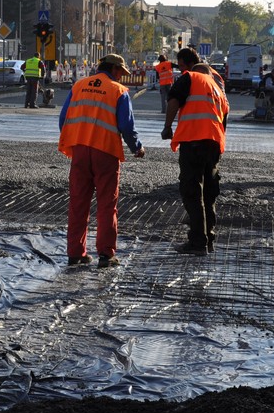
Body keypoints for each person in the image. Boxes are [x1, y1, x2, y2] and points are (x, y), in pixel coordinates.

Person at [58, 53, 145, 268]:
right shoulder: (118, 91)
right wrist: (137, 147)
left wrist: (76, 138)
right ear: (115, 70)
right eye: (120, 73)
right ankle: (106, 255)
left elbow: (63, 119)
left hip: (79, 150)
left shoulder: (78, 86)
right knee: (107, 204)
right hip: (105, 152)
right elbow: (126, 126)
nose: (121, 77)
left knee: (78, 202)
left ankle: (75, 253)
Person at [161, 50, 229, 255]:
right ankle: (208, 239)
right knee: (209, 192)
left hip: (193, 141)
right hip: (214, 144)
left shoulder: (190, 77)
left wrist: (167, 127)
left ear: (193, 69)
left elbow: (173, 101)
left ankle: (197, 242)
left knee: (192, 190)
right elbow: (225, 116)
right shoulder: (217, 89)